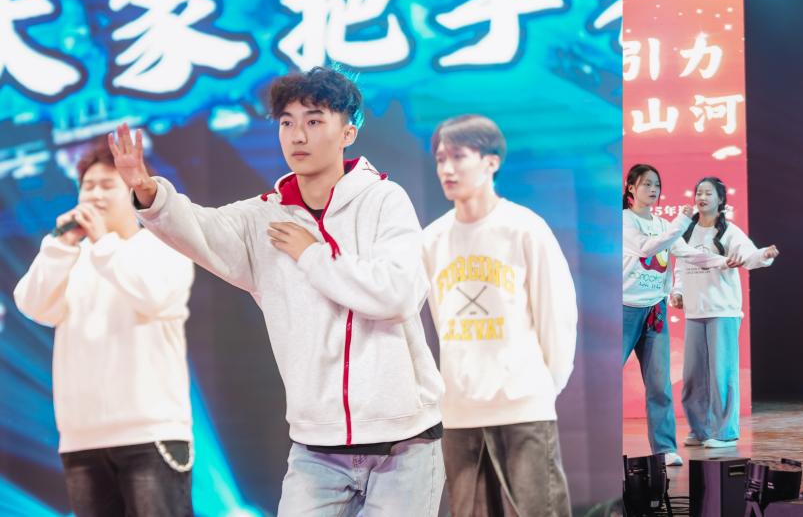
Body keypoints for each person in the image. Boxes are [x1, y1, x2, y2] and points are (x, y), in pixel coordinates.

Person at [109, 68, 445, 516]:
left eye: (314, 120)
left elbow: (398, 294)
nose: (297, 135)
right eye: (287, 122)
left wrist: (313, 256)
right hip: (316, 448)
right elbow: (200, 229)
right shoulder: (263, 218)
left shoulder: (384, 200)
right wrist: (149, 192)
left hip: (404, 442)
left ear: (348, 132)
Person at [14, 138, 195, 517]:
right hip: (82, 439)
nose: (94, 194)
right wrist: (60, 247)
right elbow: (33, 305)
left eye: (106, 185)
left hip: (151, 434)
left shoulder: (164, 246)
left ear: (131, 192)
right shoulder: (70, 255)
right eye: (88, 186)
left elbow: (152, 296)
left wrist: (102, 243)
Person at [421, 115, 577, 516]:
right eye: (440, 159)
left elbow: (557, 315)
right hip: (458, 412)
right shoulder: (431, 240)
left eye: (458, 156)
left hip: (523, 406)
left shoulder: (524, 228)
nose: (447, 169)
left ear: (491, 161)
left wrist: (540, 389)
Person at [623, 164, 728, 468]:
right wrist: (682, 220)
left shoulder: (662, 223)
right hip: (624, 308)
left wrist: (725, 261)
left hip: (655, 310)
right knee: (604, 381)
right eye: (646, 184)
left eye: (656, 185)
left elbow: (687, 253)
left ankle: (664, 448)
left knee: (659, 384)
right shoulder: (624, 221)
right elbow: (646, 249)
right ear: (631, 188)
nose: (653, 190)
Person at [670, 176, 778, 449]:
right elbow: (681, 265)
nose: (702, 197)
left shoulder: (729, 231)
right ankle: (700, 430)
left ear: (720, 200)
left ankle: (725, 432)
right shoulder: (686, 230)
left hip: (723, 311)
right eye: (699, 192)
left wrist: (764, 255)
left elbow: (748, 256)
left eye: (708, 193)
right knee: (693, 377)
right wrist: (678, 291)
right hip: (695, 311)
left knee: (722, 374)